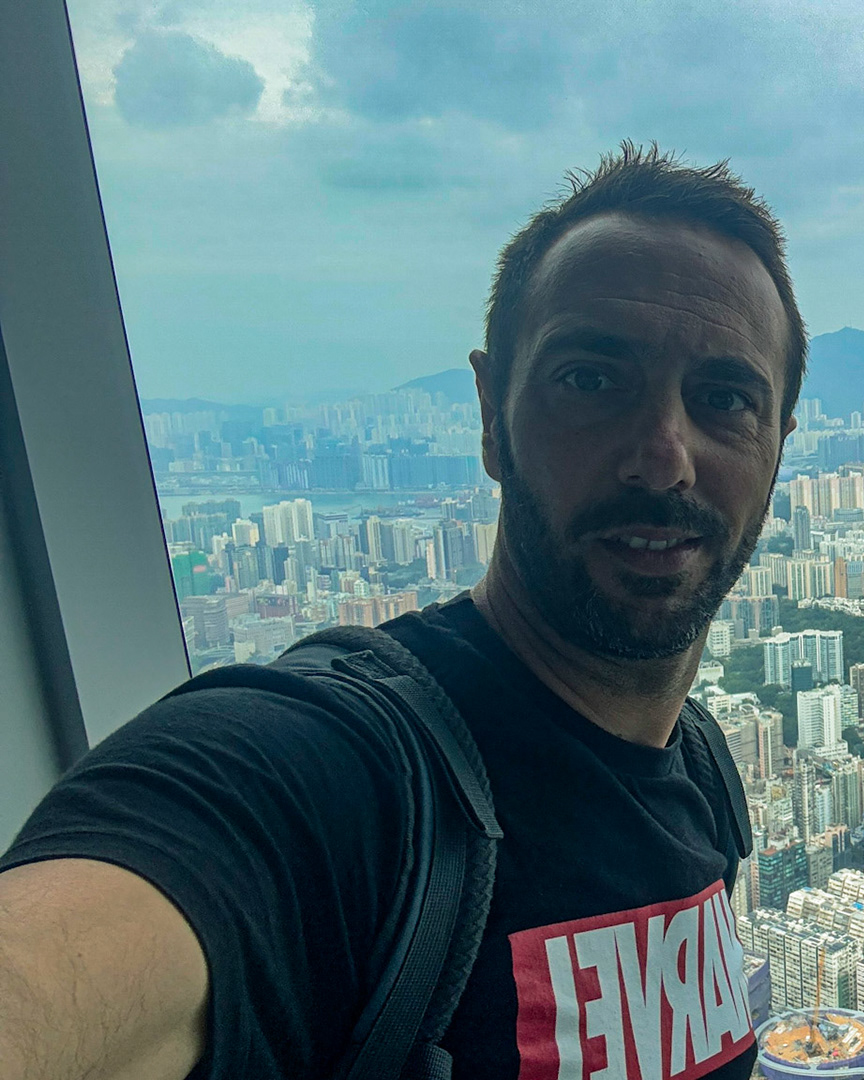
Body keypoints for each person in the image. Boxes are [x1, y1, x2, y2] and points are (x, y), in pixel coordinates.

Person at [0, 142, 805, 1080]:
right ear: (491, 415)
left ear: (777, 447)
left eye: (724, 398)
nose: (663, 457)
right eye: (591, 379)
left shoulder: (700, 770)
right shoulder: (343, 773)